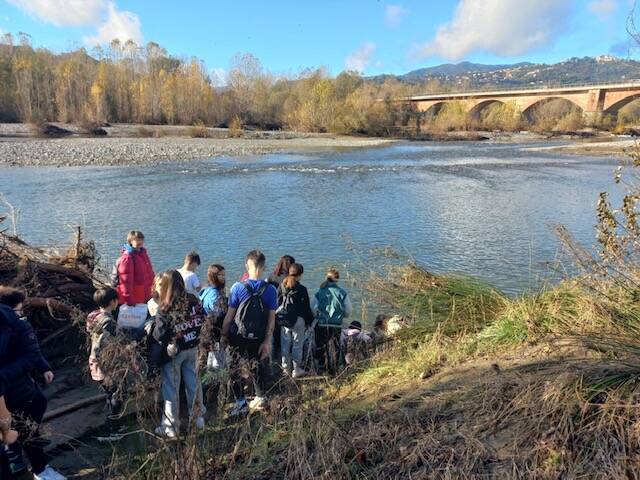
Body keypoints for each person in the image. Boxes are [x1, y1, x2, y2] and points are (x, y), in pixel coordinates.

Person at [0, 301, 66, 480]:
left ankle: (39, 468)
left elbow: (31, 353)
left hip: (17, 391)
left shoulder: (11, 321)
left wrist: (3, 376)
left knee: (26, 429)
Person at [221, 250, 277, 416]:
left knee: (234, 368)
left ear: (247, 265)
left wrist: (223, 335)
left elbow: (229, 316)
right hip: (258, 336)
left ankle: (240, 402)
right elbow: (271, 320)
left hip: (237, 335)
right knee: (257, 365)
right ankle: (260, 398)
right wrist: (267, 341)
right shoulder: (271, 290)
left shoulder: (238, 288)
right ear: (264, 267)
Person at [151, 271, 206, 438]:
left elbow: (159, 335)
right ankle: (197, 419)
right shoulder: (193, 300)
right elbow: (203, 320)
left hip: (175, 352)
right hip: (193, 347)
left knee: (171, 388)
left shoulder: (165, 308)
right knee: (194, 383)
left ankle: (171, 426)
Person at [0, 287, 54, 386]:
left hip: (19, 379)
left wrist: (44, 368)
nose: (21, 313)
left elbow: (30, 349)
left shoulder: (19, 326)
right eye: (19, 310)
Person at [86, 288, 122, 430]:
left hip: (94, 362)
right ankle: (112, 426)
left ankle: (112, 419)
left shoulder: (93, 315)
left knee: (109, 393)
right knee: (118, 394)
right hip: (105, 365)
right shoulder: (108, 322)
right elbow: (101, 346)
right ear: (113, 302)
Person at [277, 263, 314, 378]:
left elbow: (277, 302)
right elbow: (306, 307)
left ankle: (285, 369)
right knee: (297, 344)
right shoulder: (302, 289)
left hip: (285, 320)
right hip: (298, 320)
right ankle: (296, 369)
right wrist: (309, 322)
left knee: (285, 345)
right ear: (300, 275)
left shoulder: (282, 286)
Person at [312, 268, 353, 373]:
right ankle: (334, 368)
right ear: (337, 279)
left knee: (321, 346)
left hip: (322, 324)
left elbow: (312, 307)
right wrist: (342, 315)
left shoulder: (320, 292)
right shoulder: (342, 293)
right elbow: (348, 310)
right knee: (336, 346)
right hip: (336, 325)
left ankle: (321, 367)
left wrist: (318, 315)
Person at [114, 231, 155, 307]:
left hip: (147, 295)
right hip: (137, 298)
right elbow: (125, 282)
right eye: (137, 240)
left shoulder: (142, 253)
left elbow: (150, 273)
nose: (140, 242)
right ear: (130, 241)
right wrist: (130, 301)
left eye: (141, 239)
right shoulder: (127, 258)